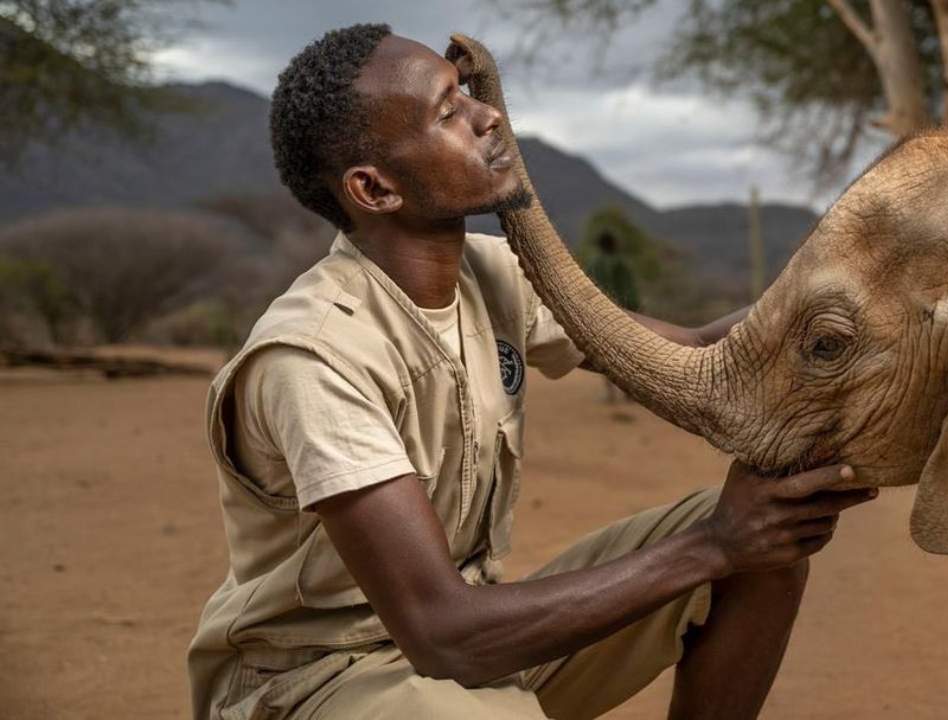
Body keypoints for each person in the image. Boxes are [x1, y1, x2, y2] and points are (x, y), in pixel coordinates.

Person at [187, 23, 877, 720]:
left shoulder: (490, 274)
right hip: (318, 679)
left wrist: (861, 285)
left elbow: (696, 350)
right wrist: (716, 544)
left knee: (769, 551)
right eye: (449, 112)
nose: (489, 118)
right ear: (375, 188)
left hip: (474, 640)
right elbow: (442, 636)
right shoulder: (315, 357)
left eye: (467, 96)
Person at [584, 230, 639, 403]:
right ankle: (629, 393)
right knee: (629, 353)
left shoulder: (594, 263)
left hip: (600, 313)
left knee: (605, 353)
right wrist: (636, 308)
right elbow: (629, 289)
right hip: (624, 313)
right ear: (612, 244)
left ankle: (610, 394)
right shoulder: (620, 263)